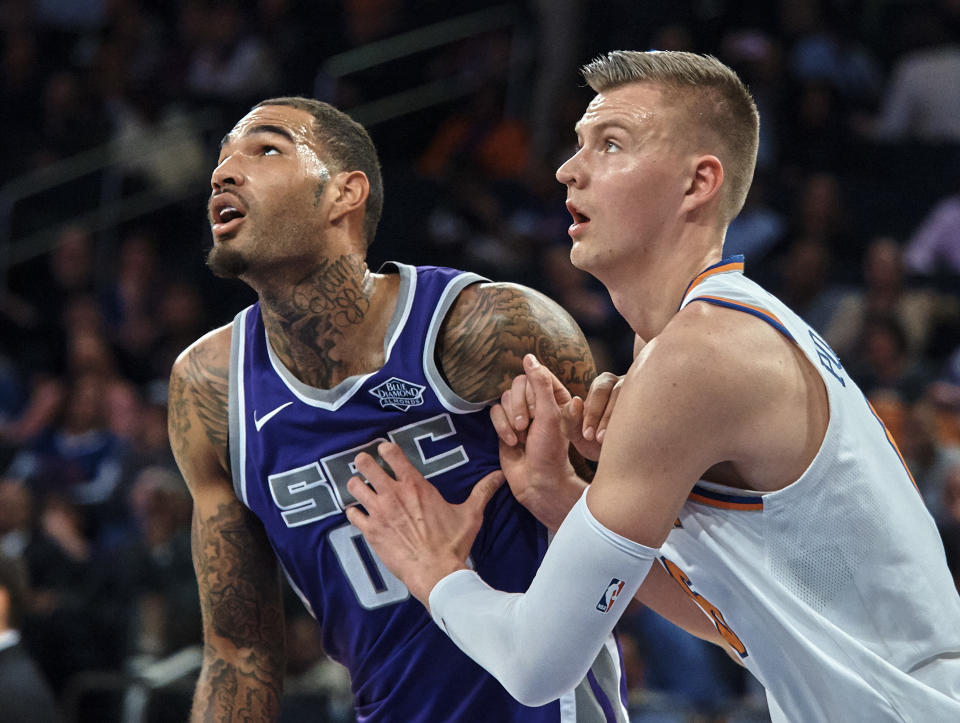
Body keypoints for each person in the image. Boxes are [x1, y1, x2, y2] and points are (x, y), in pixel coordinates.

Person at [346, 51, 960, 721]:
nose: (567, 169)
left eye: (611, 144)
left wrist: (433, 568)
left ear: (697, 183)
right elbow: (732, 619)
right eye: (577, 144)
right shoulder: (701, 335)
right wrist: (563, 498)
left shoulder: (700, 354)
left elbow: (535, 664)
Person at [167, 96, 634, 722]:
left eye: (266, 149)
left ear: (344, 194)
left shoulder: (490, 328)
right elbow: (239, 651)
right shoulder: (208, 387)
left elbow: (637, 541)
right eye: (222, 158)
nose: (224, 172)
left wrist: (558, 490)